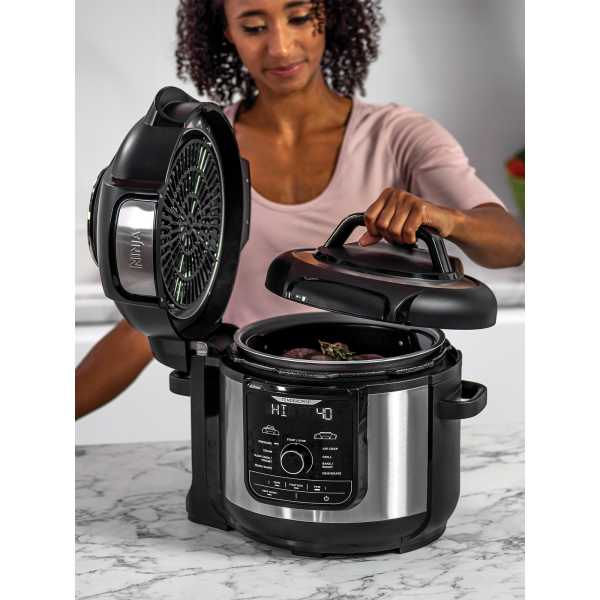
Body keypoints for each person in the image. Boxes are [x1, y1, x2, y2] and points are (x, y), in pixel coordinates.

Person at [76, 0, 524, 418]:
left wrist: (447, 218)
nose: (281, 47)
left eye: (298, 17)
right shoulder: (200, 153)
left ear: (329, 14)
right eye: (254, 27)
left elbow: (508, 246)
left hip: (377, 397)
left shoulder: (397, 135)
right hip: (250, 403)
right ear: (227, 32)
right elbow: (160, 315)